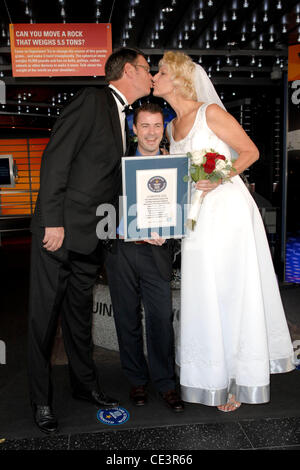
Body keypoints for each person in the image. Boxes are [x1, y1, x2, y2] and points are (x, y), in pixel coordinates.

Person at [153, 51, 295, 412]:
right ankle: (212, 375)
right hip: (198, 217)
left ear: (181, 78)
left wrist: (215, 176)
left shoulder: (210, 113)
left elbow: (250, 152)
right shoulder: (171, 127)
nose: (156, 76)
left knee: (232, 289)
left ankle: (236, 379)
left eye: (162, 71)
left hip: (229, 210)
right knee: (204, 290)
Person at [28, 48, 153, 433]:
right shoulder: (92, 100)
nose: (152, 75)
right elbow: (55, 159)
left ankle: (84, 386)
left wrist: (113, 223)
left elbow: (105, 182)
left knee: (78, 318)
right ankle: (41, 400)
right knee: (44, 321)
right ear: (129, 70)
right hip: (59, 235)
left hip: (91, 237)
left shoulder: (121, 116)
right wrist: (51, 221)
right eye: (148, 69)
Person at [105, 103, 184, 412]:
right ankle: (137, 380)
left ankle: (166, 383)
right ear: (133, 129)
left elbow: (183, 210)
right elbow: (101, 211)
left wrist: (173, 231)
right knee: (127, 318)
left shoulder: (174, 165)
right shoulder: (117, 164)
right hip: (122, 250)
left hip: (157, 252)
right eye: (145, 126)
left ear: (162, 128)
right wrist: (126, 231)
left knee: (161, 319)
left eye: (156, 126)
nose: (151, 132)